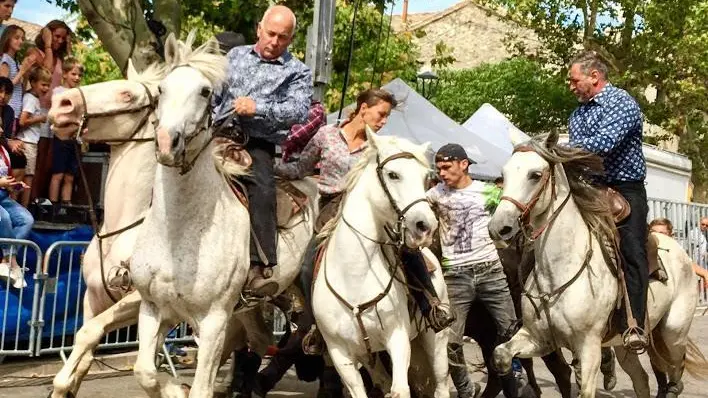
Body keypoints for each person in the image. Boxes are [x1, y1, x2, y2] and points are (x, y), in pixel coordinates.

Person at [253, 89, 453, 398]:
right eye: (381, 113)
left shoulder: (384, 146)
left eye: (386, 115)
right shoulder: (326, 135)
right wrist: (269, 168)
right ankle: (320, 323)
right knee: (308, 263)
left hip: (374, 211)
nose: (383, 120)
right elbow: (300, 169)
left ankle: (430, 305)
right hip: (332, 209)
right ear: (363, 108)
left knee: (408, 251)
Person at [212, 5, 312, 295]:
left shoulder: (298, 72)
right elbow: (216, 94)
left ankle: (261, 265)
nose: (274, 41)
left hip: (256, 143)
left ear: (290, 40)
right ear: (259, 29)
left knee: (263, 188)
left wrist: (258, 108)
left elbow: (298, 110)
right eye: (270, 33)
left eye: (283, 37)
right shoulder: (235, 55)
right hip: (217, 135)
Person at [567, 50, 649, 351]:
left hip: (625, 189)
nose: (570, 85)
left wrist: (559, 147)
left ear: (594, 77)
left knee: (631, 250)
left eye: (573, 79)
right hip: (589, 187)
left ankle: (635, 325)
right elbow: (578, 156)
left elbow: (602, 145)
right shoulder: (577, 114)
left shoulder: (621, 102)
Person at [428, 143, 519, 398]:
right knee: (451, 342)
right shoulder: (434, 195)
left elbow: (514, 211)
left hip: (491, 271)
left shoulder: (488, 191)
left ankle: (513, 388)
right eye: (438, 169)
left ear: (463, 164)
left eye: (447, 167)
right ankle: (466, 390)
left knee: (511, 333)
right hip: (455, 276)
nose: (442, 173)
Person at [0, 127, 33, 289]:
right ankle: (12, 263)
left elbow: (7, 180)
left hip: (3, 196)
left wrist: (15, 185)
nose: (0, 129)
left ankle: (6, 260)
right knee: (4, 217)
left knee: (26, 220)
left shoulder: (4, 152)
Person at [48, 57, 82, 210]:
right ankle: (52, 206)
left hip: (75, 139)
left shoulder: (80, 93)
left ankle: (66, 206)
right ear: (65, 74)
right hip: (61, 138)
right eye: (74, 74)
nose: (77, 78)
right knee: (58, 174)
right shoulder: (59, 92)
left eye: (79, 75)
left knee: (70, 176)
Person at [17, 67, 50, 207]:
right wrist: (40, 118)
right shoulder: (30, 99)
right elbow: (22, 121)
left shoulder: (33, 98)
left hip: (31, 141)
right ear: (33, 83)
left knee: (26, 175)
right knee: (28, 176)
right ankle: (24, 207)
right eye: (43, 84)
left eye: (48, 85)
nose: (46, 88)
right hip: (28, 142)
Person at [649, 217, 708, 288]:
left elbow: (686, 262)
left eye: (661, 233)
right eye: (653, 232)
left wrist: (704, 273)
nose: (656, 235)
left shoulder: (672, 249)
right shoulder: (645, 249)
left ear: (670, 235)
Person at [27, 20, 72, 109]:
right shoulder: (34, 52)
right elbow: (47, 70)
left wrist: (68, 49)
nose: (60, 41)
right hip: (34, 109)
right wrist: (48, 44)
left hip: (53, 109)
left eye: (63, 38)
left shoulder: (59, 59)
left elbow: (72, 72)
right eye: (57, 36)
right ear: (48, 35)